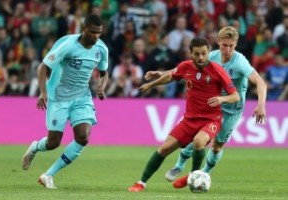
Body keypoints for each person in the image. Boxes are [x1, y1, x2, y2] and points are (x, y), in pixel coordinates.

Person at [146, 26, 267, 188]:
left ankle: (201, 174)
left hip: (232, 109)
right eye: (224, 45)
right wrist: (162, 74)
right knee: (196, 138)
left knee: (217, 147)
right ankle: (179, 165)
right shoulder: (211, 56)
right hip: (210, 107)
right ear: (218, 42)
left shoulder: (240, 62)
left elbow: (260, 82)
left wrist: (261, 105)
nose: (228, 49)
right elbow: (184, 68)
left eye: (231, 45)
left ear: (236, 44)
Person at [128, 37, 240, 192]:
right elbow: (170, 76)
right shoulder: (185, 67)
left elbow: (235, 96)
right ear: (191, 53)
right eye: (197, 54)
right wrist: (151, 84)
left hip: (211, 119)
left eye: (204, 54)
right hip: (189, 119)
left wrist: (222, 98)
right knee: (164, 148)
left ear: (208, 52)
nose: (200, 57)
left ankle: (193, 177)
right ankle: (141, 183)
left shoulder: (217, 70)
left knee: (199, 142)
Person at [21, 14, 109, 189]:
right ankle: (35, 147)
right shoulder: (68, 46)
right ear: (83, 29)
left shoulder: (101, 49)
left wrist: (101, 86)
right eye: (92, 32)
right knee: (53, 143)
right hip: (58, 97)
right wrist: (43, 92)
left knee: (83, 137)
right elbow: (43, 67)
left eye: (99, 33)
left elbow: (104, 72)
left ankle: (48, 175)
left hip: (82, 97)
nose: (96, 36)